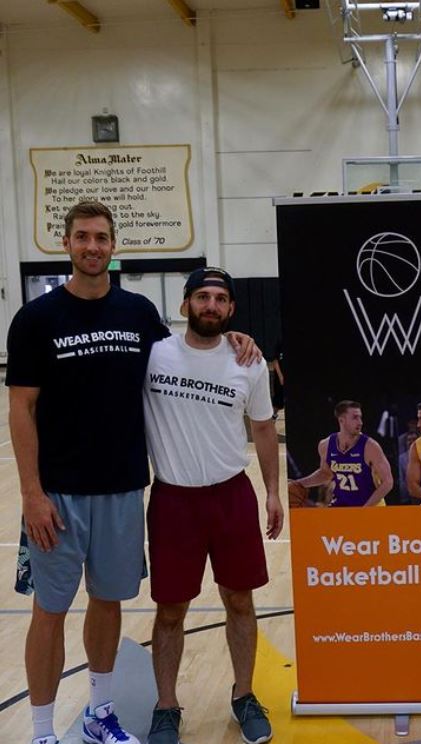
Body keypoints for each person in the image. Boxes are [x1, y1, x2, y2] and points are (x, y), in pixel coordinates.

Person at [6, 201, 257, 744]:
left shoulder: (139, 314)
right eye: (82, 237)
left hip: (122, 489)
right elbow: (21, 407)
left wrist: (238, 338)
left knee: (108, 602)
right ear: (66, 244)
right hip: (57, 494)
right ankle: (43, 732)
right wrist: (31, 493)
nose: (91, 247)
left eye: (101, 237)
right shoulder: (35, 320)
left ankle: (99, 713)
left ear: (113, 245)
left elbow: (191, 350)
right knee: (49, 610)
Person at [143, 267, 282, 744]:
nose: (211, 305)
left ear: (231, 309)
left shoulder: (248, 362)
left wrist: (272, 491)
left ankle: (245, 695)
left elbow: (263, 428)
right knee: (170, 610)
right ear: (185, 304)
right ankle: (166, 705)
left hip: (231, 497)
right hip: (173, 500)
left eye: (220, 299)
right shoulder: (154, 354)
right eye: (202, 296)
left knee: (240, 601)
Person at [288, 400, 394, 507]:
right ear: (341, 420)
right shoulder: (326, 445)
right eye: (355, 417)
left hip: (371, 506)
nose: (360, 422)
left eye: (360, 417)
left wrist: (364, 510)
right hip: (342, 505)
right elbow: (326, 474)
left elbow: (388, 482)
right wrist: (299, 484)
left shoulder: (370, 447)